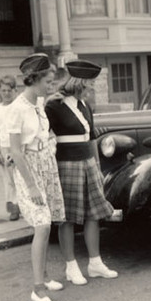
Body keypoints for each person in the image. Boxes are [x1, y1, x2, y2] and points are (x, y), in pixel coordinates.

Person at [45, 59, 118, 285]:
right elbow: (38, 130)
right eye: (91, 84)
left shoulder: (85, 106)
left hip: (88, 164)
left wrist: (97, 167)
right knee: (67, 218)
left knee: (93, 215)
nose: (93, 89)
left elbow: (92, 138)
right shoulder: (54, 106)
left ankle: (95, 264)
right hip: (67, 165)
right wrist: (44, 102)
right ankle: (71, 267)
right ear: (80, 82)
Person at [7, 53, 66, 301]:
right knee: (41, 224)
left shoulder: (38, 104)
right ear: (35, 79)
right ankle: (37, 289)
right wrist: (31, 185)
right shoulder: (16, 109)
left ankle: (45, 277)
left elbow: (45, 133)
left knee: (48, 221)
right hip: (28, 169)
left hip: (46, 164)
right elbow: (16, 151)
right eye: (48, 81)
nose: (50, 86)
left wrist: (50, 147)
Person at [0, 75, 20, 221]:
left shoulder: (19, 107)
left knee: (22, 177)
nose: (6, 93)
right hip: (5, 147)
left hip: (20, 147)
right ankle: (14, 208)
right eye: (3, 90)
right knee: (9, 180)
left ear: (15, 90)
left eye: (9, 90)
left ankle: (26, 206)